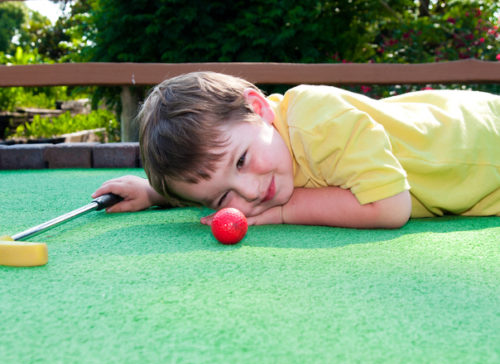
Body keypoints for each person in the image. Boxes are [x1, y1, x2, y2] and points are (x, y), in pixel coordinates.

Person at [92, 71, 500, 229]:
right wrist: (155, 193)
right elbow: (220, 178)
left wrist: (284, 213)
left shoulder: (317, 119)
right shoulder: (259, 144)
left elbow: (392, 208)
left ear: (258, 108)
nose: (251, 192)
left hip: (486, 143)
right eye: (222, 197)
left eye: (242, 161)